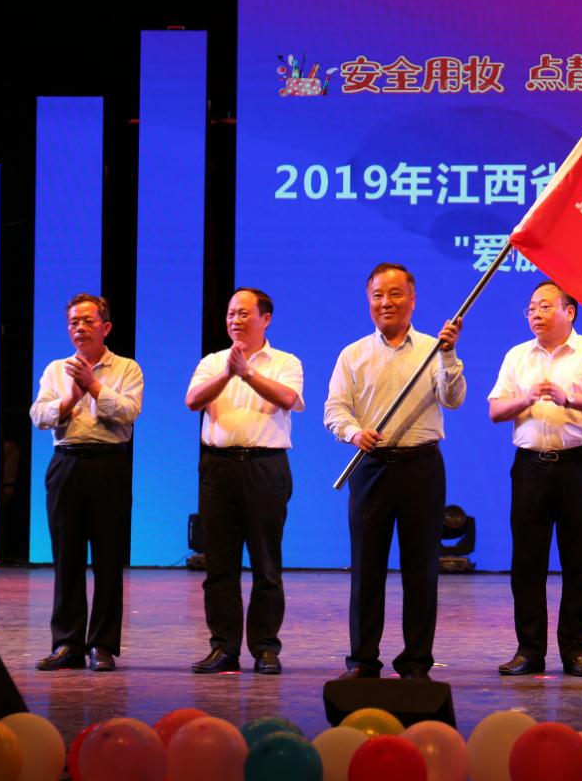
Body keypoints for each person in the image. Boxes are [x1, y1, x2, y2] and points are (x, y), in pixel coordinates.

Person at [324, 263, 465, 680]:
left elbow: (453, 398)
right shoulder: (352, 354)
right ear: (368, 301)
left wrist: (449, 354)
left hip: (422, 466)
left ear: (412, 299)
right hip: (371, 467)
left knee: (421, 569)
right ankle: (363, 661)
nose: (386, 302)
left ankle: (416, 662)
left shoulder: (434, 349)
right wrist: (353, 433)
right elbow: (335, 409)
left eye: (395, 294)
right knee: (366, 569)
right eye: (378, 295)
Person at [488, 281, 582, 677]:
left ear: (570, 311)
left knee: (579, 560)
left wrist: (570, 398)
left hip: (579, 465)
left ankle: (577, 651)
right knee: (527, 562)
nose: (536, 313)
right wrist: (526, 398)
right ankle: (529, 650)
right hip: (531, 466)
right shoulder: (517, 355)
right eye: (532, 307)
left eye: (545, 306)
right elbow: (495, 410)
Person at [186, 288, 304, 675]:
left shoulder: (285, 361)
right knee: (219, 565)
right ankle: (224, 647)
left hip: (264, 467)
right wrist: (227, 372)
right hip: (217, 468)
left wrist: (248, 373)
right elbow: (193, 400)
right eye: (230, 313)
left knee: (266, 564)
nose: (235, 320)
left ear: (265, 319)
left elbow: (288, 398)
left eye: (243, 313)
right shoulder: (212, 362)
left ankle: (265, 648)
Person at [30, 294, 143, 672]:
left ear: (105, 327)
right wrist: (70, 398)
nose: (79, 328)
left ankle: (103, 645)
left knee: (108, 558)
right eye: (73, 322)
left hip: (109, 463)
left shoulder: (126, 368)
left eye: (87, 321)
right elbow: (39, 415)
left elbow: (128, 413)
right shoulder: (55, 369)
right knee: (67, 558)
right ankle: (67, 643)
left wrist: (93, 386)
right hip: (66, 463)